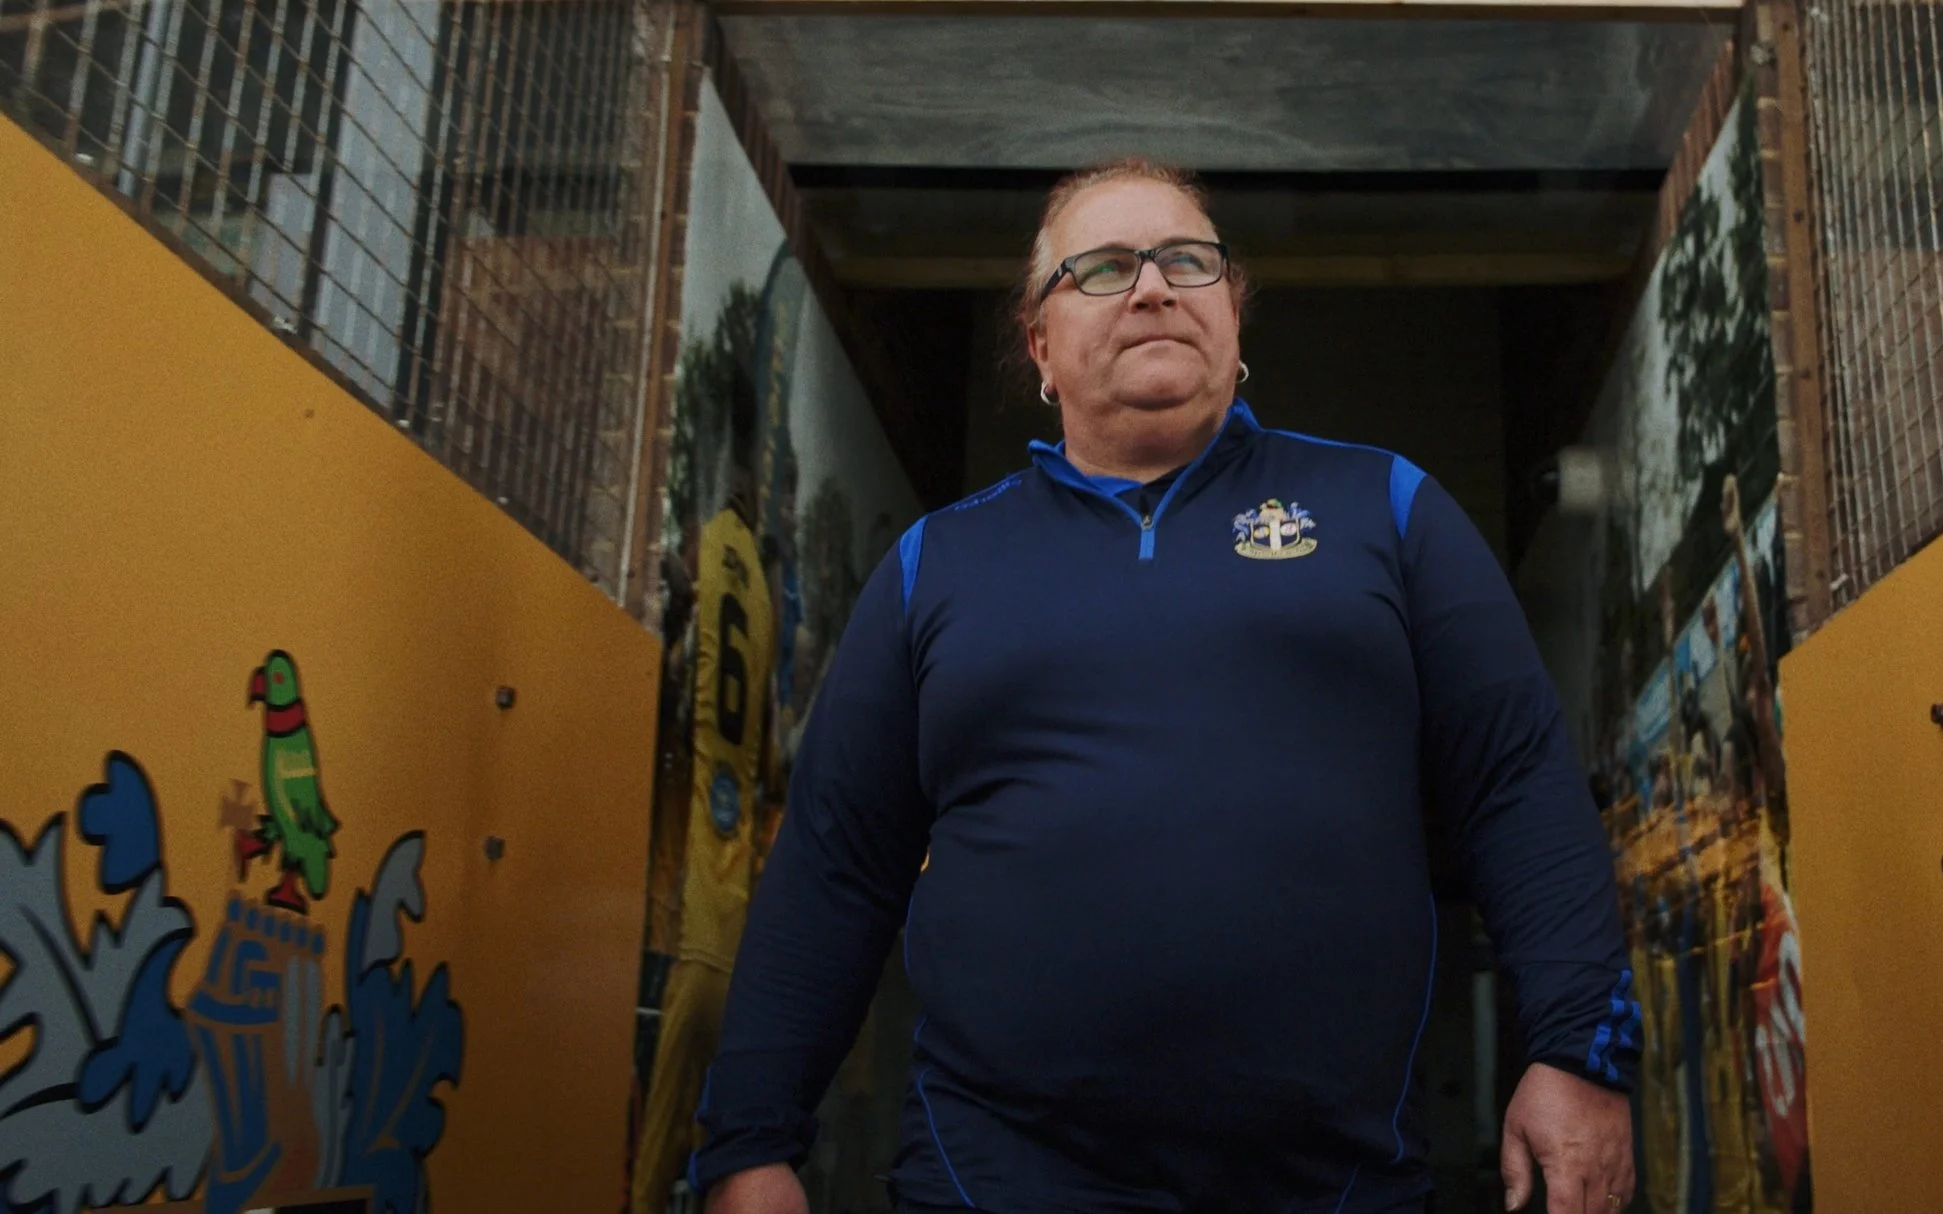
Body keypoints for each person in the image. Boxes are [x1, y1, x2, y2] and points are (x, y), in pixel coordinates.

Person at [695, 159, 1638, 1214]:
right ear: (1038, 345)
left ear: (1232, 314)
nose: (1151, 287)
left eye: (1186, 260)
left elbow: (1518, 784)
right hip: (996, 1177)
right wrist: (749, 1138)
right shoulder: (935, 565)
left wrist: (1580, 1052)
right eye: (1100, 267)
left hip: (1331, 1181)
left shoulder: (1388, 507)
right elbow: (834, 863)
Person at [634, 376, 780, 1214]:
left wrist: (672, 619)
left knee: (643, 1173)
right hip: (729, 936)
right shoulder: (758, 588)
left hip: (675, 932)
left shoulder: (700, 563)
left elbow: (657, 722)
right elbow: (764, 758)